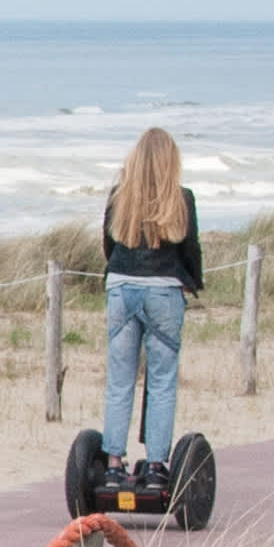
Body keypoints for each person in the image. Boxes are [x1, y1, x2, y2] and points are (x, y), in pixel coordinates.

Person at [100, 127, 203, 490]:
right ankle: (157, 463)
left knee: (120, 380)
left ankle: (113, 464)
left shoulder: (119, 197)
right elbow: (190, 249)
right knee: (160, 380)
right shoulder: (181, 198)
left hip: (122, 287)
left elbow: (109, 244)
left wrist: (123, 274)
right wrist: (193, 280)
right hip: (163, 290)